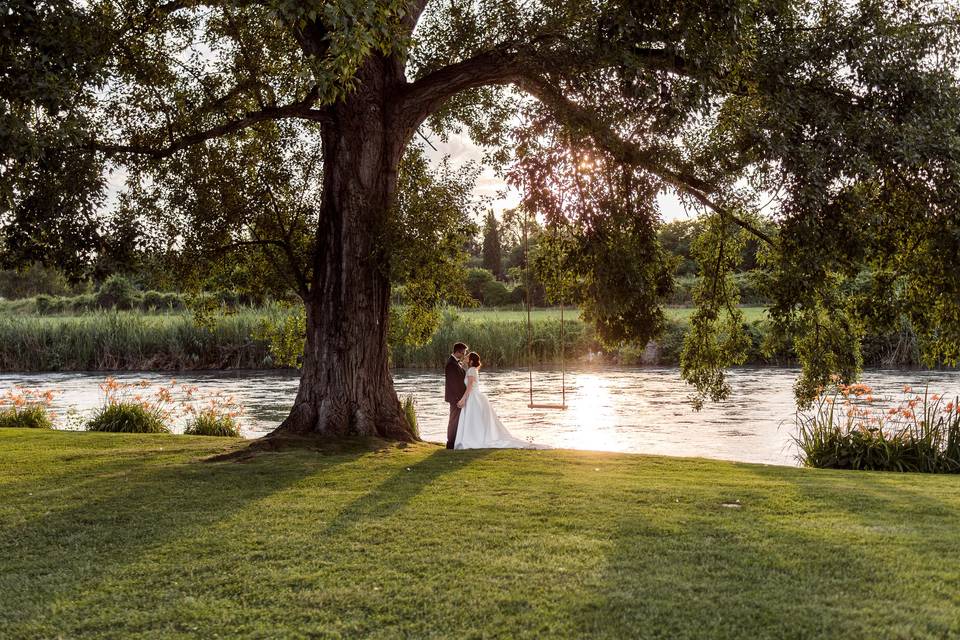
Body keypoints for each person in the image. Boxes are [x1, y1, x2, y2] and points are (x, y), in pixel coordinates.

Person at [454, 351, 546, 449]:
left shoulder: (471, 370)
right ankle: (475, 438)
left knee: (473, 419)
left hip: (473, 397)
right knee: (476, 420)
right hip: (475, 396)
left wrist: (463, 399)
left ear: (471, 360)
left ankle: (473, 439)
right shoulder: (473, 369)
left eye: (467, 356)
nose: (466, 357)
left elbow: (469, 387)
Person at [444, 342, 468, 449]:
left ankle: (455, 441)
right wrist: (459, 399)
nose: (463, 355)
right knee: (453, 421)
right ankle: (450, 444)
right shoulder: (451, 364)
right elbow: (453, 383)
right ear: (458, 352)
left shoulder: (456, 363)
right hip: (455, 398)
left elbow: (461, 377)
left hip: (458, 398)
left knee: (457, 420)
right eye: (463, 353)